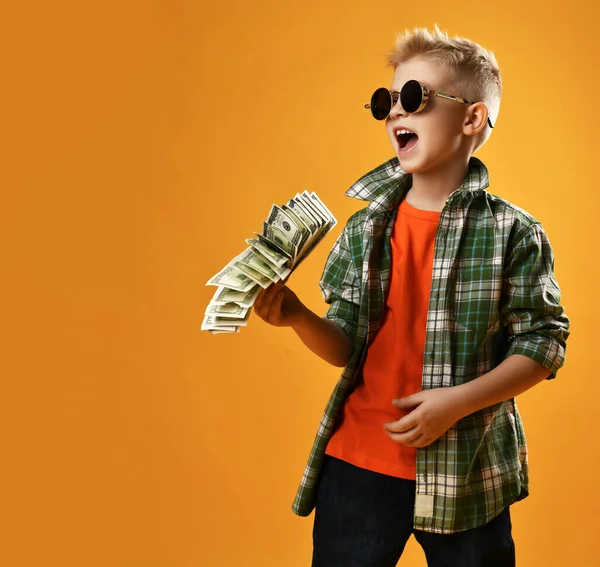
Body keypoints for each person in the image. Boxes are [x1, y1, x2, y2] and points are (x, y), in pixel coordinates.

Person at [252, 24, 570, 567]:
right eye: (386, 102)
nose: (396, 113)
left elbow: (543, 346)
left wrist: (458, 402)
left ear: (472, 118)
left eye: (415, 98)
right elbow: (347, 343)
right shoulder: (364, 228)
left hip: (466, 474)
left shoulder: (513, 233)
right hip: (358, 464)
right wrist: (300, 317)